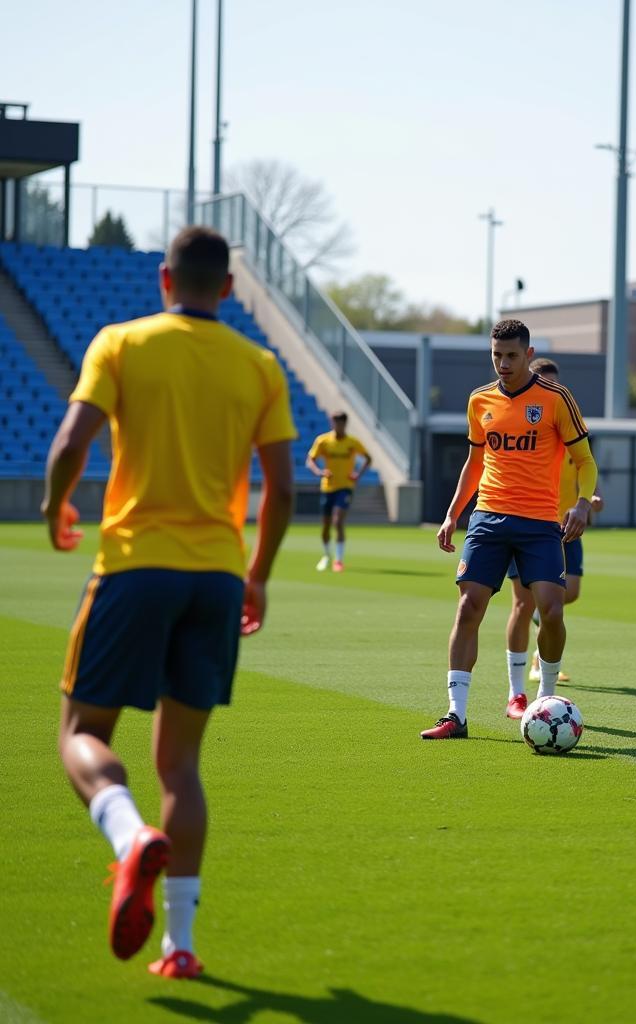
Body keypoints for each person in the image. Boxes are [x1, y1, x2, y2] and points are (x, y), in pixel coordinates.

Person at [43, 225, 296, 978]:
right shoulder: (259, 366)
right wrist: (257, 574)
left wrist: (56, 507)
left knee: (81, 734)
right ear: (226, 289)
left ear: (164, 279)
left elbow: (68, 445)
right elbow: (282, 487)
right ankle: (179, 946)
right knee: (180, 765)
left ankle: (128, 838)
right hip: (217, 576)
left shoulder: (122, 344)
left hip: (133, 566)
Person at [421, 319, 598, 739]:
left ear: (529, 355)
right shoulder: (479, 400)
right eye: (496, 355)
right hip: (489, 516)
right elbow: (475, 462)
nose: (503, 363)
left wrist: (582, 504)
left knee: (552, 610)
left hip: (540, 522)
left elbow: (586, 461)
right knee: (468, 609)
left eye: (512, 356)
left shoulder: (556, 398)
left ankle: (546, 701)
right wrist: (452, 514)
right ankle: (455, 714)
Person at [503, 357, 604, 719]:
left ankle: (541, 650)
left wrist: (588, 501)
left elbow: (585, 465)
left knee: (567, 594)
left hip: (566, 526)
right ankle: (520, 692)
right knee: (525, 603)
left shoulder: (567, 422)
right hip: (527, 523)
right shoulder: (521, 421)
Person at [306, 411, 371, 572]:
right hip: (328, 487)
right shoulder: (323, 441)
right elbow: (310, 460)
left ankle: (338, 560)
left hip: (345, 487)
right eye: (334, 423)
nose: (337, 426)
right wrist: (320, 472)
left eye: (340, 423)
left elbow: (368, 458)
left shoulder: (352, 442)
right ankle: (327, 555)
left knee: (338, 521)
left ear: (345, 424)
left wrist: (357, 475)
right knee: (326, 526)